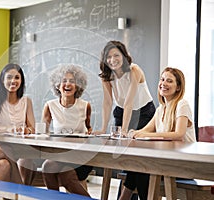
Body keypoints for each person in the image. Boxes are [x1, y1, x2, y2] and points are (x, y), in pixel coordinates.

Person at [119, 67, 196, 200]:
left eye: (169, 81)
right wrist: (132, 133)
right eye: (162, 79)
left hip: (183, 165)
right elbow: (145, 130)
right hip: (166, 162)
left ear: (178, 87)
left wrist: (147, 136)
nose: (163, 83)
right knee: (137, 166)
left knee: (143, 171)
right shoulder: (161, 109)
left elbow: (179, 134)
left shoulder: (182, 105)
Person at [96, 40, 156, 200]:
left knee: (139, 156)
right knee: (128, 157)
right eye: (108, 57)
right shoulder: (106, 75)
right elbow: (107, 102)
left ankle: (128, 195)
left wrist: (124, 130)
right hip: (121, 111)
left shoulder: (134, 70)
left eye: (116, 55)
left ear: (124, 56)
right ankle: (126, 195)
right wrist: (103, 128)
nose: (112, 59)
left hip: (143, 112)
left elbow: (130, 102)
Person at [41, 64, 92, 197]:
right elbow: (42, 132)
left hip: (81, 155)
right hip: (60, 153)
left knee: (66, 175)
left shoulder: (85, 106)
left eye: (72, 81)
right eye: (64, 81)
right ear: (57, 85)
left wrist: (90, 133)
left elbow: (89, 128)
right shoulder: (50, 106)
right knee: (48, 167)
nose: (67, 84)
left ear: (78, 86)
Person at [0, 63, 36, 185]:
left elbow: (32, 129)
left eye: (17, 78)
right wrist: (11, 129)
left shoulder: (26, 101)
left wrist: (27, 131)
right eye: (9, 77)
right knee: (6, 159)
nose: (13, 81)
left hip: (20, 146)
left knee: (28, 160)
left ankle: (22, 190)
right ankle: (20, 191)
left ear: (21, 81)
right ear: (2, 80)